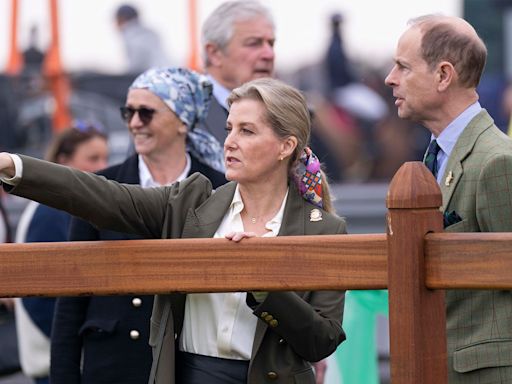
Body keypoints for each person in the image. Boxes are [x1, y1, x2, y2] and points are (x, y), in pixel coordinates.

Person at [0, 77, 346, 384]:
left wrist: (263, 285)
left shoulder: (325, 230)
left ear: (286, 146)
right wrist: (13, 165)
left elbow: (321, 341)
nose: (229, 142)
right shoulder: (189, 202)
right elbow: (102, 196)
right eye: (229, 128)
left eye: (247, 131)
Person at [50, 67, 226, 384]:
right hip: (113, 365)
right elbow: (71, 296)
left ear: (183, 121)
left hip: (196, 367)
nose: (134, 123)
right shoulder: (101, 186)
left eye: (146, 113)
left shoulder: (221, 188)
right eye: (128, 112)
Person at [385, 14, 512, 383]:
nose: (390, 78)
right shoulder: (439, 153)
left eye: (403, 67)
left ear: (443, 75)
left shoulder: (497, 162)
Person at [14, 125, 109, 384]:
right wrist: (73, 346)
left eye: (105, 158)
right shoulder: (52, 209)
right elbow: (36, 296)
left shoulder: (60, 206)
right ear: (63, 161)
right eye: (92, 158)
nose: (102, 166)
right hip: (57, 366)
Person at [199, 0, 275, 143]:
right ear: (214, 53)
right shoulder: (185, 118)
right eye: (254, 43)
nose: (269, 54)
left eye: (271, 44)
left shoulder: (292, 114)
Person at [115, 4, 168, 73]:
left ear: (120, 19)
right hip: (164, 74)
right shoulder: (150, 33)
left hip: (154, 77)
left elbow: (135, 69)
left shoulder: (132, 36)